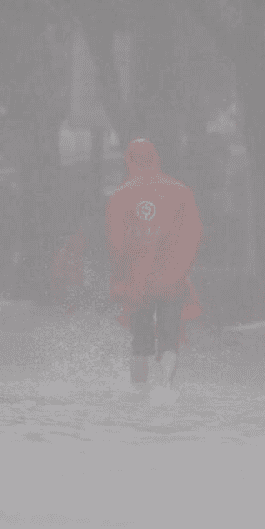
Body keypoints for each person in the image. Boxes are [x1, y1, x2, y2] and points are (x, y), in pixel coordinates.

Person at [106, 138, 203, 396]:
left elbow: (117, 244)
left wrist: (119, 279)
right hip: (173, 279)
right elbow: (193, 236)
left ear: (129, 160)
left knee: (139, 342)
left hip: (139, 281)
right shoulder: (181, 191)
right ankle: (168, 387)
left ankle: (138, 392)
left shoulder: (121, 195)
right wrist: (183, 270)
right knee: (170, 339)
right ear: (156, 158)